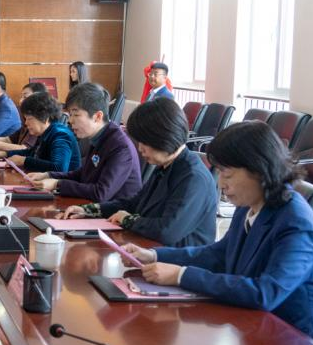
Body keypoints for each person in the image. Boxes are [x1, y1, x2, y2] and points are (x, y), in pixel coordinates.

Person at [131, 121, 313, 345]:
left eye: (227, 174)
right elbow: (220, 253)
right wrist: (154, 255)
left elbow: (266, 292)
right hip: (257, 323)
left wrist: (181, 275)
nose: (220, 183)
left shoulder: (296, 222)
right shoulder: (248, 205)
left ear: (258, 170)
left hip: (300, 338)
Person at [67, 97, 218, 247]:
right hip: (149, 249)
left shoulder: (193, 177)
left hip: (177, 257)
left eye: (144, 142)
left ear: (163, 137)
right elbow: (134, 203)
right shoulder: (166, 165)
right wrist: (89, 210)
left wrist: (127, 219)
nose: (140, 149)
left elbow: (167, 231)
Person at [32, 83, 141, 201]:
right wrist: (48, 175)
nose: (70, 120)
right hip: (92, 206)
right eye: (70, 114)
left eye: (76, 114)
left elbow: (101, 193)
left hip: (114, 210)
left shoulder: (120, 146)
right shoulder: (100, 136)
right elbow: (83, 174)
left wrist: (57, 184)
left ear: (97, 116)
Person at [1, 92, 81, 172]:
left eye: (29, 119)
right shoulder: (47, 132)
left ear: (45, 117)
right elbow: (32, 152)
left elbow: (58, 168)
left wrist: (24, 161)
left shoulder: (61, 135)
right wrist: (5, 154)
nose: (26, 123)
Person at [0, 82, 50, 158]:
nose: (21, 101)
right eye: (21, 97)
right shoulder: (25, 121)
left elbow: (25, 149)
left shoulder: (39, 124)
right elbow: (9, 139)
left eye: (25, 97)